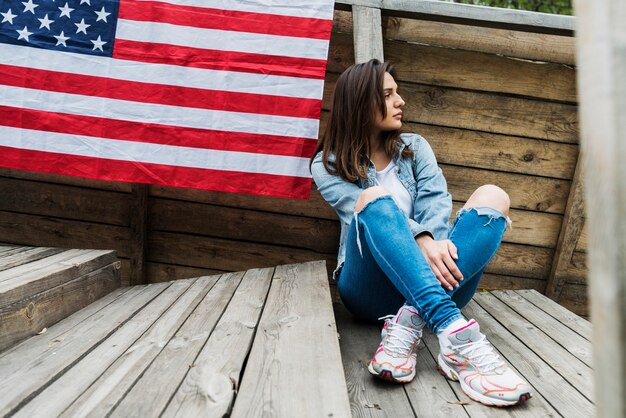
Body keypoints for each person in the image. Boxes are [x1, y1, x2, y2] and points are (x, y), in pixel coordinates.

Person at [310, 59, 532, 407]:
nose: (401, 101)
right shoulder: (328, 164)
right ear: (360, 103)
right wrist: (422, 239)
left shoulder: (415, 147)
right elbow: (362, 213)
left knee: (494, 196)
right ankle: (456, 335)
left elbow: (436, 203)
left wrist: (431, 240)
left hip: (440, 281)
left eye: (398, 92)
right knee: (373, 199)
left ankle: (415, 317)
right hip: (370, 291)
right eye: (388, 94)